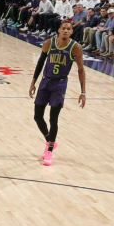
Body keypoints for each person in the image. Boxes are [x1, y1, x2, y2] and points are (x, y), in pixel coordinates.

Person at [28, 21, 86, 166]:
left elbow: (81, 69)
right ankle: (49, 141)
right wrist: (33, 82)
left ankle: (49, 151)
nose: (65, 30)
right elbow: (40, 63)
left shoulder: (75, 47)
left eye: (68, 29)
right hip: (45, 81)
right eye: (63, 28)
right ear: (59, 30)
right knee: (37, 116)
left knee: (53, 118)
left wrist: (83, 92)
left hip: (60, 84)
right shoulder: (49, 43)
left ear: (71, 32)